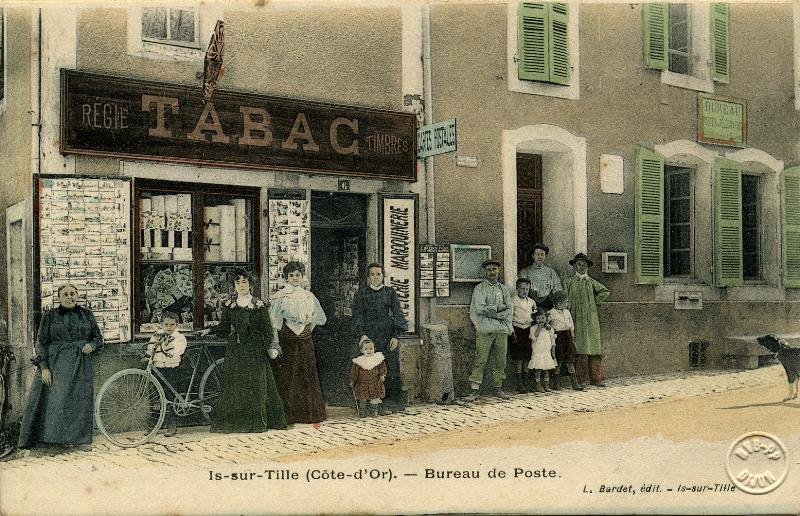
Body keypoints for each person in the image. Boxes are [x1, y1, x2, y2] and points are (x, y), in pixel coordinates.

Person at [18, 285, 104, 451]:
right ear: (59, 297)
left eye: (73, 293)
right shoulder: (50, 316)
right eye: (65, 294)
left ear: (77, 295)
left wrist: (92, 345)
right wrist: (44, 368)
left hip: (81, 364)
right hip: (56, 364)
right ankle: (52, 441)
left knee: (79, 402)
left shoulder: (86, 314)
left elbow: (98, 338)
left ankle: (78, 441)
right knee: (55, 402)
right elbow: (41, 342)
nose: (69, 297)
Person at [207, 269, 287, 433]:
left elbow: (267, 330)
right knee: (235, 386)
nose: (241, 285)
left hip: (255, 351)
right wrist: (208, 331)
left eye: (244, 282)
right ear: (234, 286)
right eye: (238, 282)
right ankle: (237, 423)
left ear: (250, 284)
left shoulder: (259, 305)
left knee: (255, 387)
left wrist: (270, 347)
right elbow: (223, 327)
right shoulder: (230, 305)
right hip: (236, 350)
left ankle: (255, 423)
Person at [270, 261, 327, 424]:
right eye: (291, 276)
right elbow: (274, 321)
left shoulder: (309, 297)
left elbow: (318, 317)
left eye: (298, 275)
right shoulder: (281, 296)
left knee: (307, 374)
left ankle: (308, 414)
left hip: (305, 340)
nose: (295, 278)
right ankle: (290, 415)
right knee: (289, 375)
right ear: (286, 278)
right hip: (287, 339)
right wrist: (276, 341)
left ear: (302, 277)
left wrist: (308, 330)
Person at [351, 263, 409, 412]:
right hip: (370, 336)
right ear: (368, 277)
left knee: (390, 368)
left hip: (387, 335)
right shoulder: (362, 293)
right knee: (371, 370)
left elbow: (398, 314)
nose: (375, 277)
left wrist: (396, 336)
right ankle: (375, 405)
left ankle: (392, 404)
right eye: (372, 274)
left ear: (383, 276)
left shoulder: (389, 292)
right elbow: (357, 315)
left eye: (378, 274)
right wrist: (362, 335)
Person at [464, 259, 513, 401]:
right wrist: (498, 309)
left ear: (499, 271)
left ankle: (498, 387)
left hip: (501, 329)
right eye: (489, 270)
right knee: (481, 359)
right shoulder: (479, 289)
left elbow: (509, 309)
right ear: (485, 272)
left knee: (501, 360)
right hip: (485, 328)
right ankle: (474, 390)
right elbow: (479, 309)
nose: (492, 272)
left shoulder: (503, 289)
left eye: (494, 269)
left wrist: (493, 312)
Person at [566, 253, 611, 388]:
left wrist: (593, 302)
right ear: (574, 266)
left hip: (590, 319)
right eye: (579, 264)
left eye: (584, 265)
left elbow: (605, 291)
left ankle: (596, 379)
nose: (582, 267)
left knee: (593, 348)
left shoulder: (590, 282)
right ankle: (581, 379)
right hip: (576, 317)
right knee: (579, 349)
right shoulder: (569, 281)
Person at [144, 311, 188, 436]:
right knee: (155, 397)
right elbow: (151, 347)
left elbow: (176, 353)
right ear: (161, 324)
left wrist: (163, 350)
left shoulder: (180, 338)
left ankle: (171, 425)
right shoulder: (157, 335)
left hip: (171, 369)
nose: (169, 328)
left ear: (177, 325)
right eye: (166, 324)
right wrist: (149, 356)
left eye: (172, 325)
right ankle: (153, 425)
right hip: (158, 368)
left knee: (170, 398)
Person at [547, 291, 585, 391]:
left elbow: (571, 325)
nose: (566, 304)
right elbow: (549, 327)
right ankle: (556, 383)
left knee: (570, 359)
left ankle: (574, 382)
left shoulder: (567, 312)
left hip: (567, 336)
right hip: (558, 337)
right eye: (565, 302)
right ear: (558, 302)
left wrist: (572, 338)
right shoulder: (551, 313)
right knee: (559, 360)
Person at [349, 336, 389, 417]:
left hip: (375, 382)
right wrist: (352, 380)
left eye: (371, 348)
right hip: (362, 384)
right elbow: (354, 372)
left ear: (374, 349)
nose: (369, 351)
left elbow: (382, 368)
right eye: (366, 349)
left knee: (375, 397)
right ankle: (362, 411)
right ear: (361, 350)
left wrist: (382, 375)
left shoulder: (377, 359)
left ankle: (375, 411)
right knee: (362, 398)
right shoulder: (359, 361)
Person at [518, 242, 563, 311]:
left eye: (542, 254)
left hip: (548, 306)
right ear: (533, 256)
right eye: (537, 254)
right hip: (530, 305)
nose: (540, 257)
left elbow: (558, 289)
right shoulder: (525, 272)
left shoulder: (551, 272)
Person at [509, 278, 536, 393]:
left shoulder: (531, 302)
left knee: (527, 357)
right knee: (518, 358)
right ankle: (519, 383)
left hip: (528, 330)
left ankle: (526, 382)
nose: (524, 291)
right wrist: (512, 332)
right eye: (522, 289)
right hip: (517, 330)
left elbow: (535, 315)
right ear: (517, 289)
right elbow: (509, 318)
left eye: (527, 289)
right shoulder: (513, 301)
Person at [528, 309, 557, 393]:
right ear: (535, 319)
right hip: (538, 351)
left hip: (546, 351)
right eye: (538, 318)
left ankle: (546, 385)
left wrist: (552, 350)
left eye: (543, 318)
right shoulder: (533, 328)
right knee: (538, 368)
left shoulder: (549, 328)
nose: (541, 320)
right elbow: (534, 338)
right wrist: (539, 328)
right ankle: (538, 385)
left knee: (546, 368)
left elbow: (552, 339)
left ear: (546, 318)